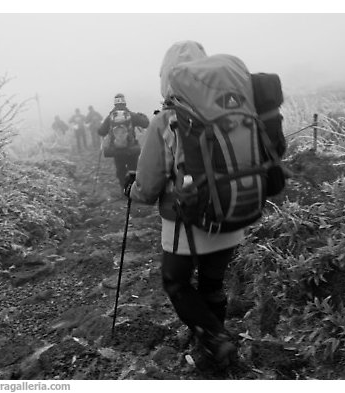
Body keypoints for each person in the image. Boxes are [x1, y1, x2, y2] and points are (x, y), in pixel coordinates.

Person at [123, 40, 240, 368]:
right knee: (212, 284)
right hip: (233, 216)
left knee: (175, 282)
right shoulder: (231, 112)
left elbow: (147, 189)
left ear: (167, 76)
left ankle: (216, 340)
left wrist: (130, 188)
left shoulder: (167, 120)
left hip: (187, 224)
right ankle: (211, 344)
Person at [97, 94, 149, 191]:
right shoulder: (131, 115)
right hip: (131, 148)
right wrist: (142, 115)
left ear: (115, 103)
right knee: (133, 168)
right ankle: (133, 190)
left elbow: (101, 131)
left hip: (116, 149)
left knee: (120, 170)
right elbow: (146, 124)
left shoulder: (111, 117)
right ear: (124, 102)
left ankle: (123, 189)